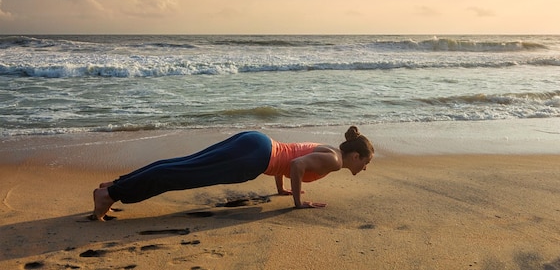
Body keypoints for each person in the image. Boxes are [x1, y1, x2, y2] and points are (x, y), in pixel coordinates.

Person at [91, 126, 374, 221]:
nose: (365, 168)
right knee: (183, 174)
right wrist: (298, 202)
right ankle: (110, 194)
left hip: (258, 142)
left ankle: (114, 185)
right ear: (356, 156)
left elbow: (290, 159)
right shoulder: (335, 161)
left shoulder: (329, 149)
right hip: (255, 156)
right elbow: (296, 166)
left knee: (184, 164)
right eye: (366, 162)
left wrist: (280, 188)